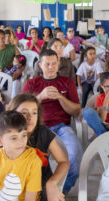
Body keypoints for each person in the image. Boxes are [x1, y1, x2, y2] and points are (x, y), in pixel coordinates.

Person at [0, 94, 70, 201]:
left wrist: (52, 183)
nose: (30, 117)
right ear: (13, 114)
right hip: (8, 189)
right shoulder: (5, 134)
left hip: (39, 189)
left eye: (34, 113)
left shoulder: (43, 132)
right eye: (24, 113)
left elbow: (64, 161)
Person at [22, 49, 83, 193]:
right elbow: (20, 108)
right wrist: (40, 97)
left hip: (62, 128)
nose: (51, 67)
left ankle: (60, 191)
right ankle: (38, 192)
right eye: (47, 64)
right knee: (31, 162)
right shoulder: (32, 83)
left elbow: (76, 111)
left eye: (54, 64)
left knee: (77, 157)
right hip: (36, 128)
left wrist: (61, 98)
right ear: (40, 65)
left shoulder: (67, 82)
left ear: (59, 63)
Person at [0, 111, 42, 201]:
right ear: (0, 141)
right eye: (14, 138)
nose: (21, 142)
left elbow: (30, 199)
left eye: (24, 135)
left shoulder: (33, 161)